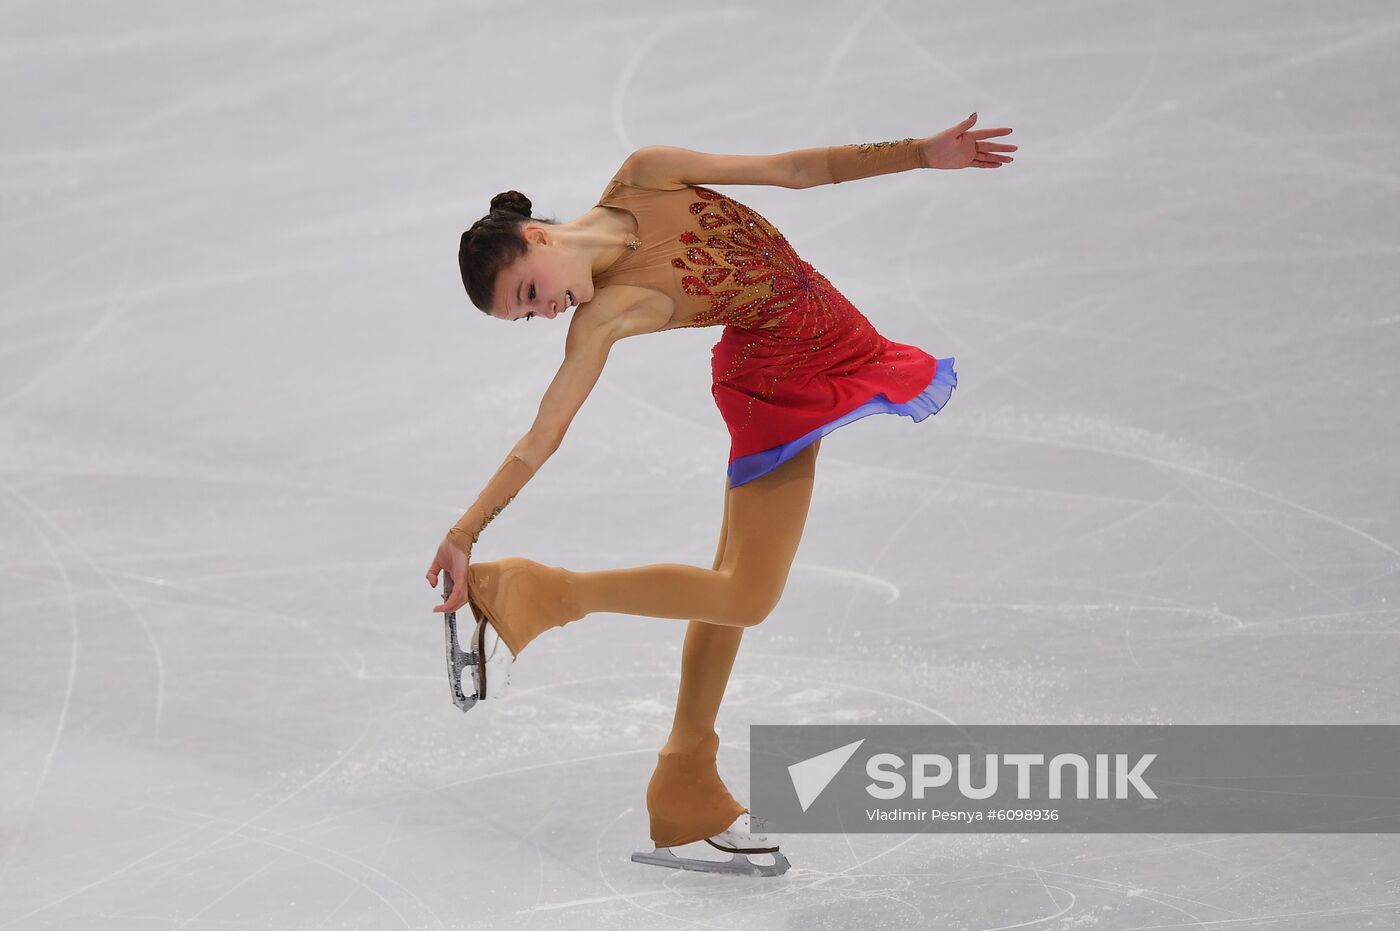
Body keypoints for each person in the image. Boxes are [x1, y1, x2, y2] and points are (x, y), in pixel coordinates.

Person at [426, 113, 1015, 874]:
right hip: (775, 384)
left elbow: (792, 169)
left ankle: (684, 791)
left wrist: (919, 155)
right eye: (529, 314)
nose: (546, 312)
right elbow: (541, 435)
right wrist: (466, 533)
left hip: (825, 344)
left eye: (531, 293)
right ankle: (535, 592)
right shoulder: (604, 315)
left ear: (539, 238)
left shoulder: (648, 173)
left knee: (730, 590)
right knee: (746, 595)